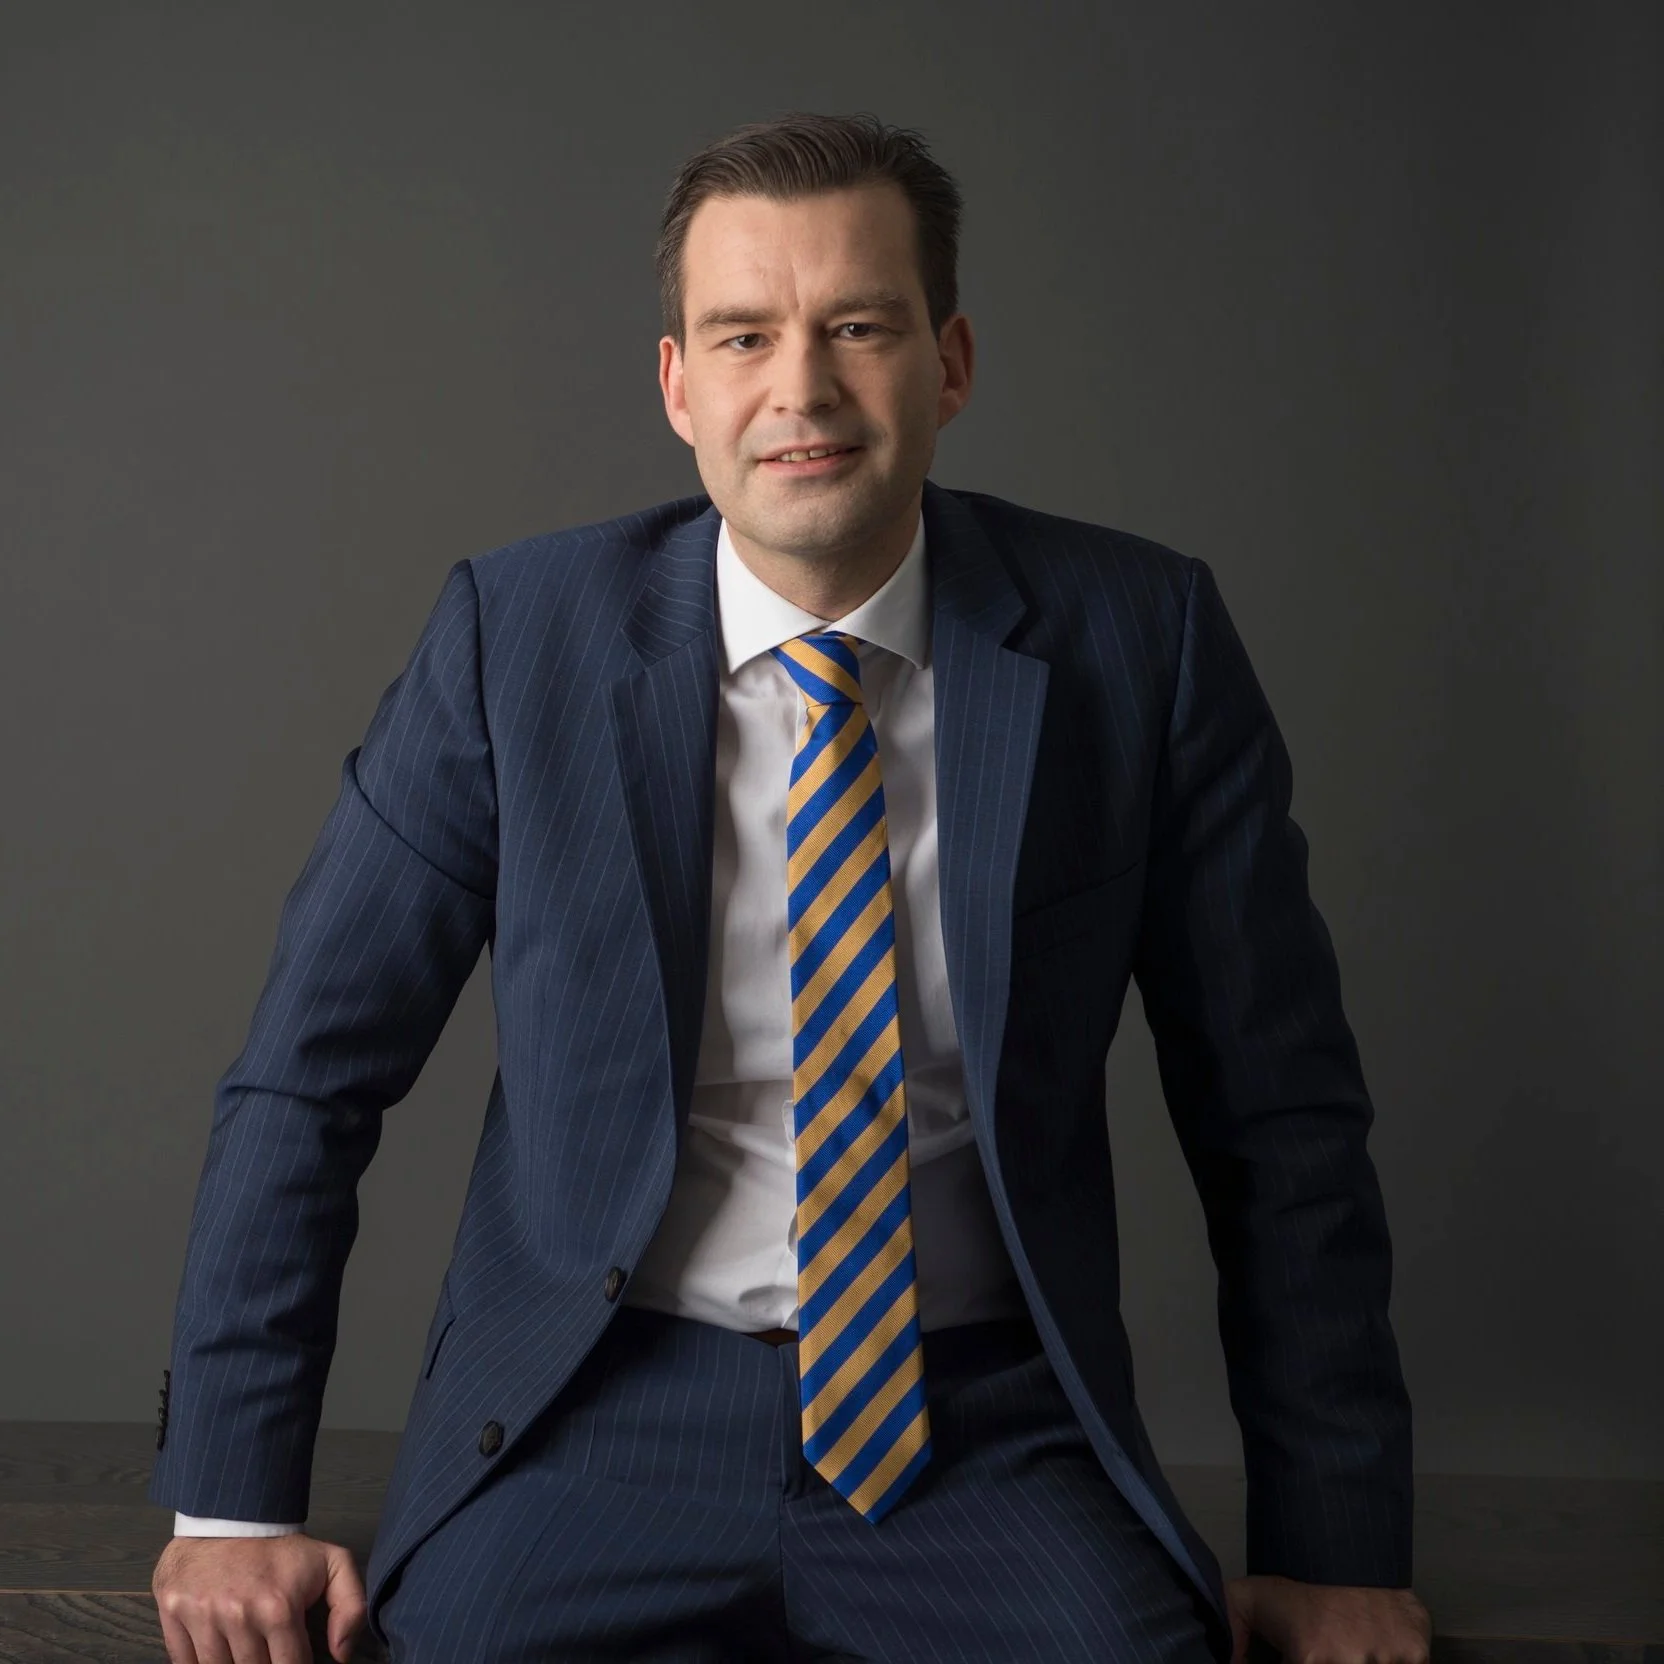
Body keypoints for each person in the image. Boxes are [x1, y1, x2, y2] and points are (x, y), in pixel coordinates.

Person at [148, 111, 1432, 1664]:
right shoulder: (516, 641)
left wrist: (1335, 1542)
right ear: (680, 383)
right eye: (744, 335)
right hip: (590, 1413)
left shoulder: (1137, 643)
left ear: (948, 365)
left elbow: (1277, 1113)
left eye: (860, 328)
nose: (802, 389)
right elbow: (306, 1076)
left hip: (981, 1425)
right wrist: (228, 1509)